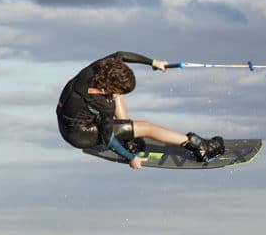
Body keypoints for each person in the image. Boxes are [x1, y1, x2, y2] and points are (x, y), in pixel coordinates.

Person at [56, 51, 224, 169]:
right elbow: (107, 137)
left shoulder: (98, 69)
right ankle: (199, 147)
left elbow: (121, 54)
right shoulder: (102, 104)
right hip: (79, 134)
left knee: (116, 94)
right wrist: (131, 158)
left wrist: (153, 62)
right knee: (146, 127)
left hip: (71, 113)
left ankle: (129, 141)